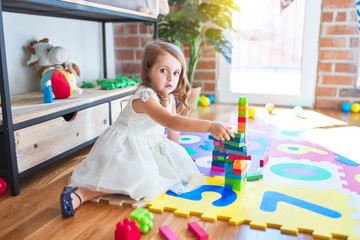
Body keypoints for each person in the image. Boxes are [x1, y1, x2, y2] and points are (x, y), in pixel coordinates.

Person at [60, 40, 235, 218]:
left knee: (168, 176)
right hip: (124, 147)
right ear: (148, 71)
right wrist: (210, 126)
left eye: (176, 73)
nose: (170, 78)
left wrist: (178, 156)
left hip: (147, 145)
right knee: (135, 183)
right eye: (163, 70)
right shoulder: (146, 96)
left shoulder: (169, 97)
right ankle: (81, 193)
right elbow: (171, 121)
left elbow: (174, 136)